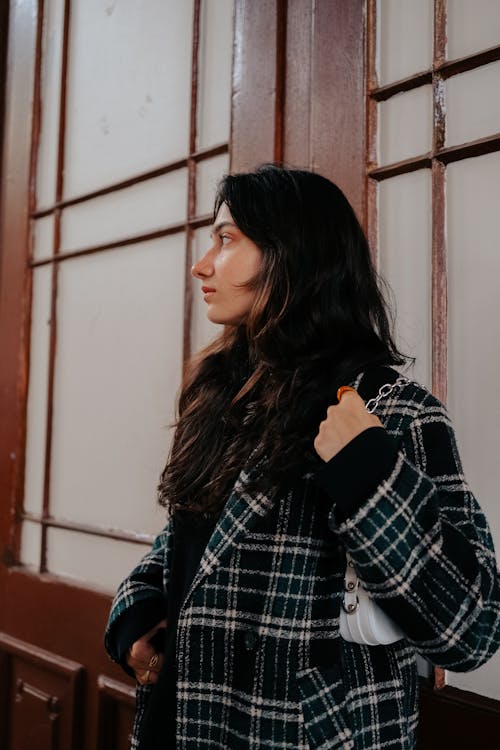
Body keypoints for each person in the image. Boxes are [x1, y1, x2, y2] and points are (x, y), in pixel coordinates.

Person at [105, 165, 500, 750]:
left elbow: (473, 629)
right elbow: (190, 539)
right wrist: (137, 611)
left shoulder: (393, 414)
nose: (202, 263)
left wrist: (368, 473)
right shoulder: (223, 395)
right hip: (183, 720)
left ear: (292, 256)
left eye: (227, 237)